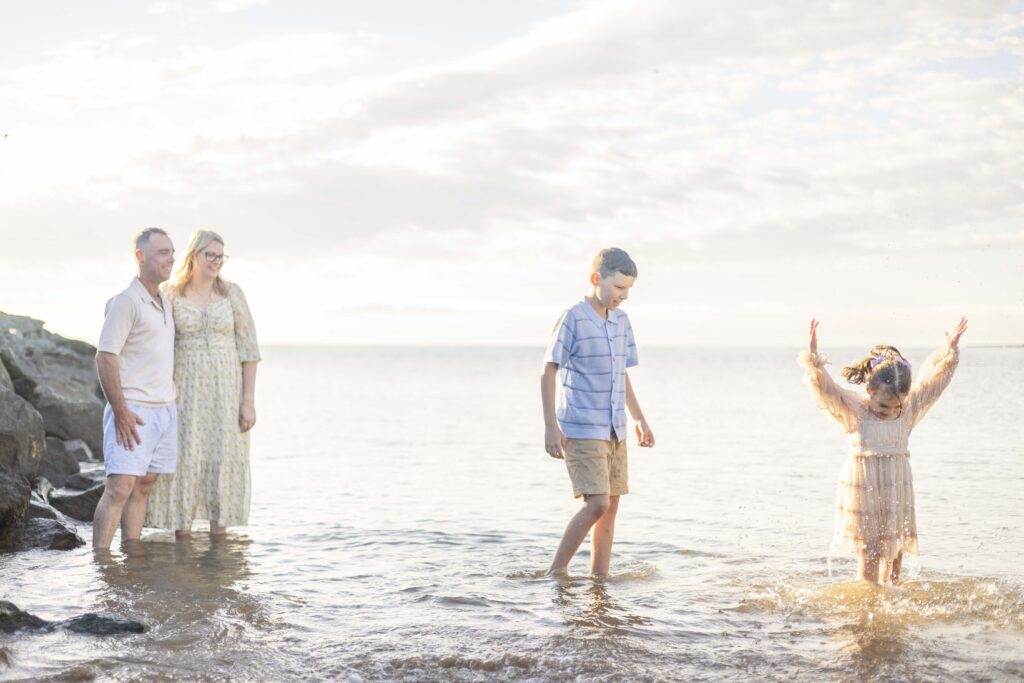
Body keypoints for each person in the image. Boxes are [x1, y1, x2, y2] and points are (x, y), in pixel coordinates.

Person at [798, 317, 967, 584]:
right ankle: (868, 606)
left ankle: (892, 609)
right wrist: (813, 356)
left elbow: (933, 386)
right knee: (871, 551)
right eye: (883, 405)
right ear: (869, 390)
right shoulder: (856, 411)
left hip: (896, 488)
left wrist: (949, 351)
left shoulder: (907, 411)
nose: (889, 411)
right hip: (864, 489)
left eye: (895, 406)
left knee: (895, 549)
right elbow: (827, 390)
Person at [541, 247, 655, 577]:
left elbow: (622, 373)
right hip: (581, 426)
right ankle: (556, 572)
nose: (624, 296)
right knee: (597, 504)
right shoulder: (573, 317)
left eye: (628, 290)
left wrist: (638, 418)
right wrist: (550, 426)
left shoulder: (622, 322)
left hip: (615, 428)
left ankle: (599, 580)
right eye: (619, 288)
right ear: (596, 279)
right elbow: (548, 370)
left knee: (612, 506)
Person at [146, 230, 260, 538]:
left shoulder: (232, 293)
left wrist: (247, 401)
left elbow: (249, 350)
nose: (216, 262)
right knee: (185, 459)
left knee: (223, 460)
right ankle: (181, 545)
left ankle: (219, 557)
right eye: (210, 255)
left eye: (221, 256)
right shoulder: (171, 293)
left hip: (226, 395)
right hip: (184, 393)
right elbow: (156, 345)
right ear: (193, 255)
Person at [93, 228, 178, 549]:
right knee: (119, 488)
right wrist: (120, 410)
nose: (170, 259)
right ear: (140, 257)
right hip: (133, 409)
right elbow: (105, 357)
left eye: (171, 252)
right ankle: (101, 562)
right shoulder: (126, 301)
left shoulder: (165, 303)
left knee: (144, 485)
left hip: (164, 409)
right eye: (162, 253)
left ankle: (132, 555)